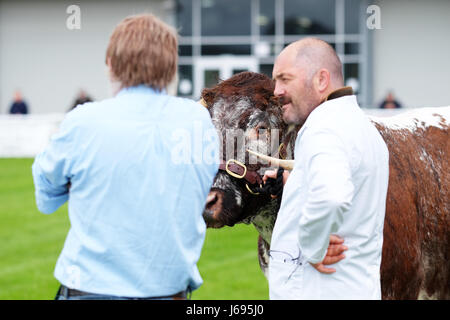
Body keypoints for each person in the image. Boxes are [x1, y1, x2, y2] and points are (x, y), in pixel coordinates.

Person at [32, 14, 219, 300]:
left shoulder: (84, 121)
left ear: (110, 63)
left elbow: (46, 198)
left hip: (90, 289)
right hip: (169, 291)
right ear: (172, 66)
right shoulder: (197, 120)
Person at [264, 38, 389, 299]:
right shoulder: (361, 127)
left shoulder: (323, 127)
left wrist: (313, 247)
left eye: (285, 79)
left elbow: (331, 196)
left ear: (321, 80)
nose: (276, 90)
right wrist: (292, 181)